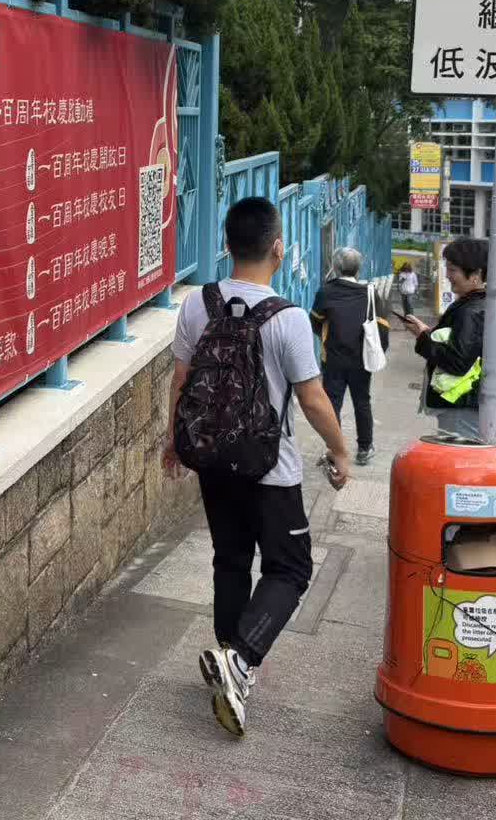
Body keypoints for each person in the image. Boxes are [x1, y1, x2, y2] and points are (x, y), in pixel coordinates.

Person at [163, 196, 352, 738]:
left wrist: (173, 442)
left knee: (230, 559)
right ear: (278, 248)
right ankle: (241, 660)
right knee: (290, 569)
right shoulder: (287, 319)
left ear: (226, 244)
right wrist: (340, 452)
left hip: (212, 460)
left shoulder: (196, 304)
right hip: (270, 468)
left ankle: (229, 664)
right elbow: (313, 400)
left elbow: (181, 381)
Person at [401, 237, 488, 440]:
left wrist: (423, 338)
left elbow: (457, 362)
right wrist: (426, 332)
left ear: (476, 274)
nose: (447, 275)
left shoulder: (470, 311)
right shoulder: (475, 304)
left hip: (460, 406)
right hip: (463, 404)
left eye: (453, 270)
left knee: (459, 458)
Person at [310, 247, 388, 467]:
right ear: (358, 269)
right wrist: (377, 353)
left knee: (332, 404)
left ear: (335, 267)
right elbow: (382, 328)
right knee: (362, 402)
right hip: (361, 360)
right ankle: (364, 448)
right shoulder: (370, 293)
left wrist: (328, 338)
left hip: (333, 359)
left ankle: (335, 450)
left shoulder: (326, 292)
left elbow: (315, 321)